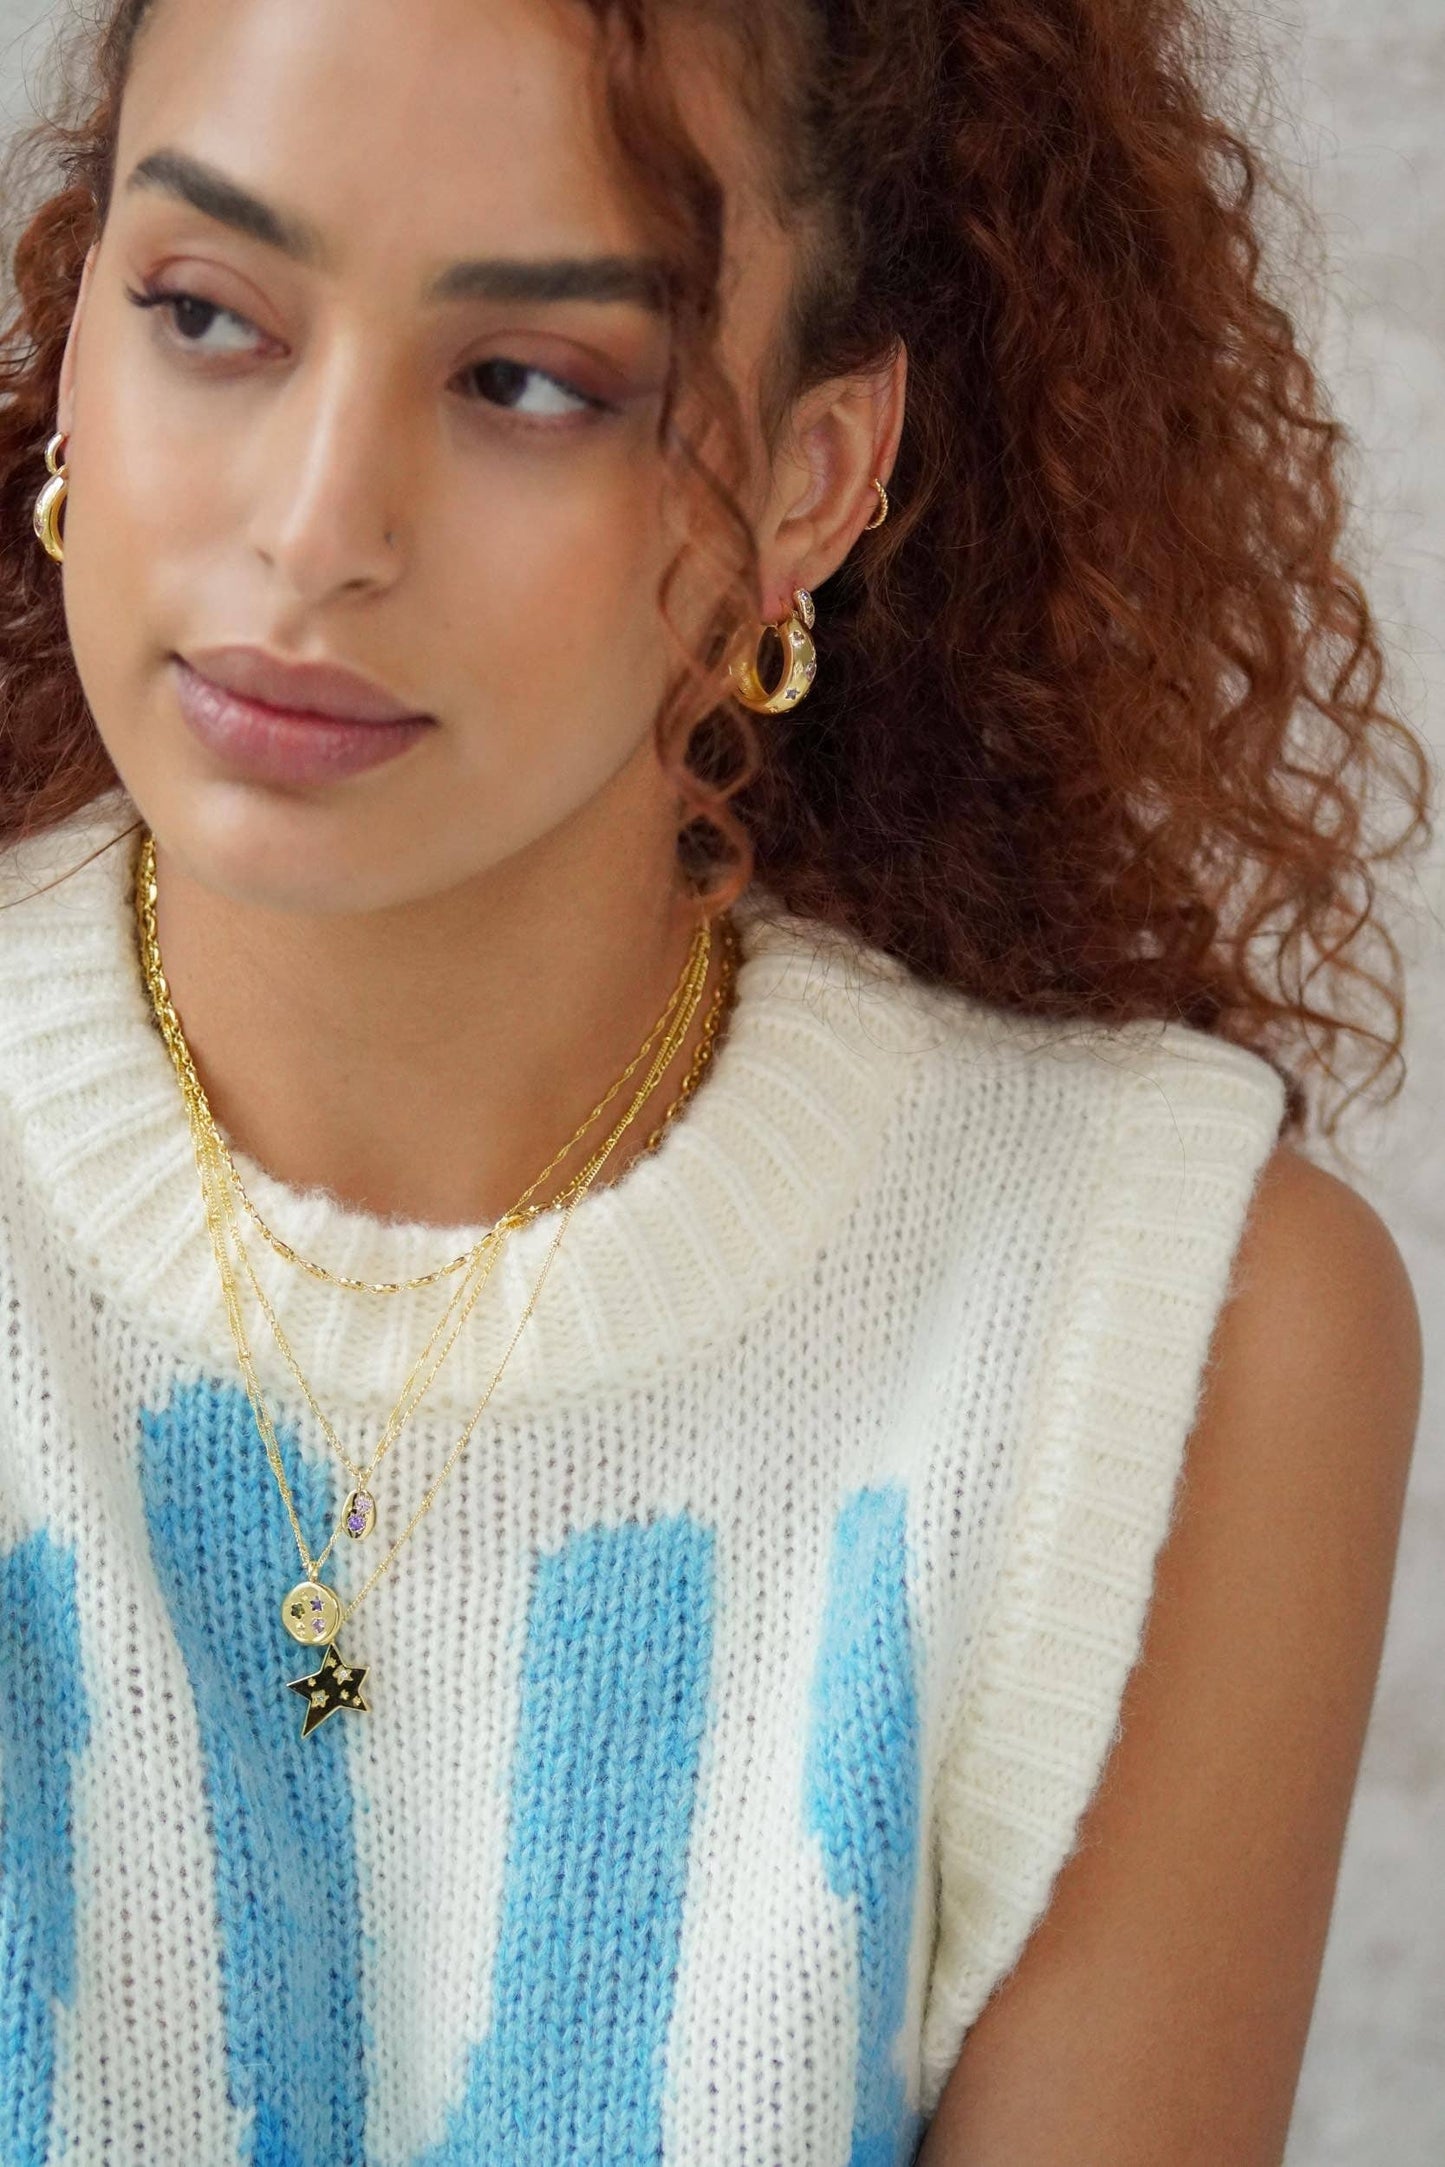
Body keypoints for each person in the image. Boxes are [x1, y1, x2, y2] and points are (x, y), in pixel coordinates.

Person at [0, 0, 1427, 2161]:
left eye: (524, 385)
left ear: (811, 479)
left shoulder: (1179, 1336)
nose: (312, 528)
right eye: (207, 314)